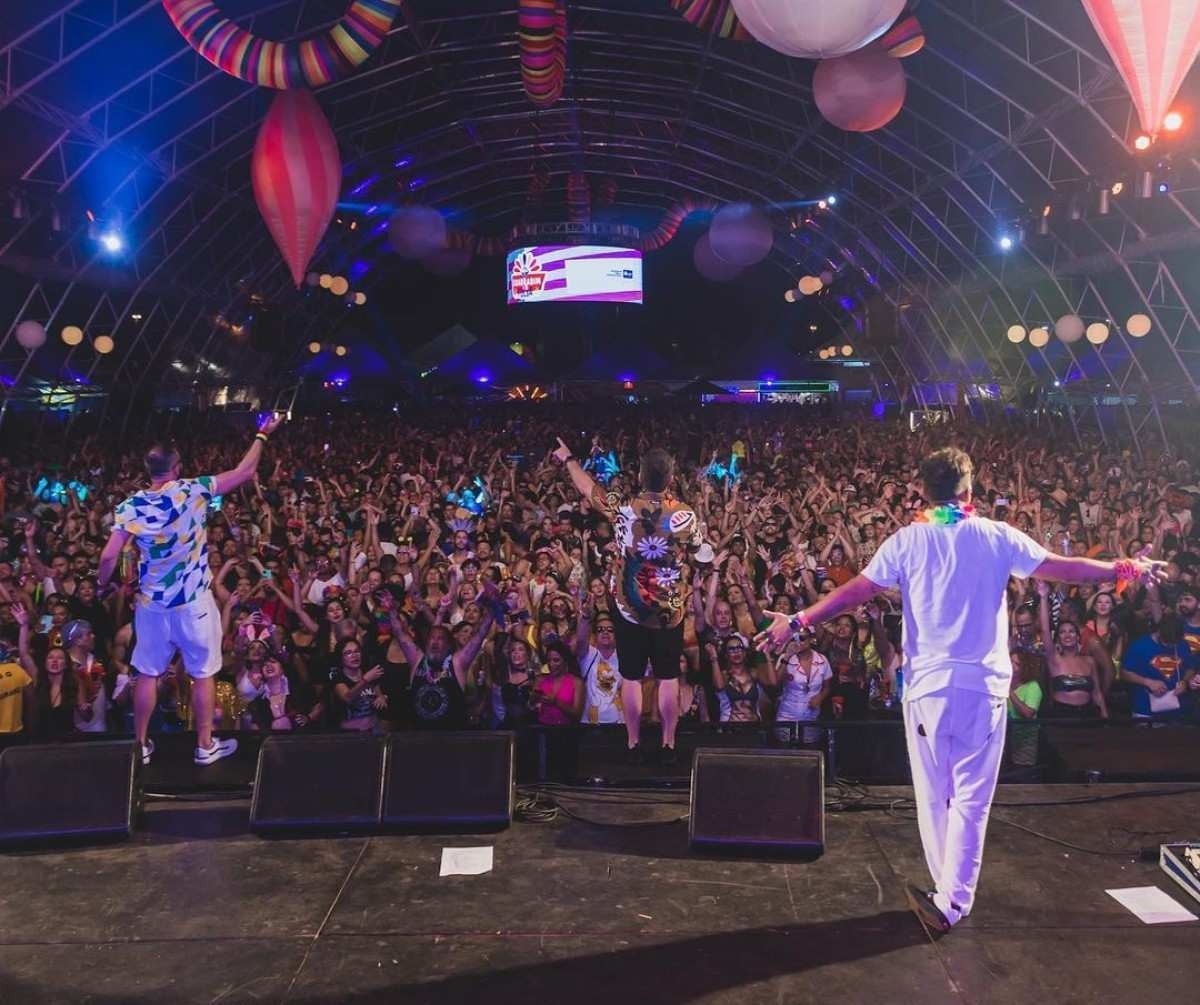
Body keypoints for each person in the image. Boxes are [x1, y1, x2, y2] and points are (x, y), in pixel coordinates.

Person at [755, 446, 1166, 934]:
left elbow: (857, 592)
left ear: (922, 492)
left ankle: (947, 898)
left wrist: (800, 620)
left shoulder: (907, 540)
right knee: (972, 798)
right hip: (984, 687)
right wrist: (1126, 568)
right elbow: (1064, 568)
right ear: (969, 490)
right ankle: (952, 899)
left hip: (929, 687)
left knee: (934, 794)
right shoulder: (997, 536)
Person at [96, 412, 284, 765]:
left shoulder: (131, 506)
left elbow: (109, 556)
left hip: (152, 605)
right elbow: (244, 472)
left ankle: (140, 746)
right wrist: (262, 434)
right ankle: (204, 745)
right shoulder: (192, 489)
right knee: (202, 673)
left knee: (147, 673)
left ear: (149, 469)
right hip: (194, 603)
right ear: (176, 466)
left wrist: (101, 582)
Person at [553, 436, 703, 765]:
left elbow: (587, 489)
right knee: (667, 676)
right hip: (669, 611)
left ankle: (633, 741)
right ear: (671, 477)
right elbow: (698, 549)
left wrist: (568, 459)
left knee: (632, 676)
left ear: (640, 477)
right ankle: (668, 742)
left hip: (630, 608)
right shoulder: (685, 515)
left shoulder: (622, 508)